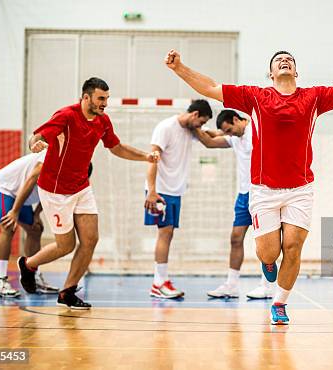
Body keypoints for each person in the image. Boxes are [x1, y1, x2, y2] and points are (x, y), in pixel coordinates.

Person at [165, 45, 333, 324]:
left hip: (300, 190)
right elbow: (213, 87)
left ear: (296, 71)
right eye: (279, 60)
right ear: (271, 73)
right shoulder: (255, 97)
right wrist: (180, 68)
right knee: (269, 252)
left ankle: (279, 303)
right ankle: (266, 263)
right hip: (264, 190)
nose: (284, 61)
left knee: (293, 247)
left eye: (289, 59)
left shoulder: (314, 97)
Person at [17, 77, 159, 310]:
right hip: (55, 189)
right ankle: (29, 264)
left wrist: (145, 156)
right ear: (86, 97)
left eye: (106, 98)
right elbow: (38, 135)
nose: (105, 103)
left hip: (81, 186)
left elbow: (117, 148)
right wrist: (35, 143)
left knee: (91, 239)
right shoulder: (66, 115)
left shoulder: (102, 121)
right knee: (66, 246)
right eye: (100, 98)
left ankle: (67, 292)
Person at [192, 109, 273, 299]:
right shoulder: (234, 137)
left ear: (237, 119)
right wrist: (195, 127)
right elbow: (209, 142)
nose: (229, 134)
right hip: (243, 195)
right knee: (236, 238)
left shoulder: (258, 131)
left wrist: (220, 132)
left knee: (265, 243)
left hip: (262, 194)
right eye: (226, 131)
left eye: (230, 129)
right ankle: (232, 285)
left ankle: (267, 285)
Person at [144, 100, 212, 299]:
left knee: (169, 234)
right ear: (194, 114)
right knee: (164, 234)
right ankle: (158, 283)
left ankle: (161, 279)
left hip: (175, 191)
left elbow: (210, 138)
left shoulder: (190, 130)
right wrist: (152, 190)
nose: (200, 126)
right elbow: (152, 158)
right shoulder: (165, 128)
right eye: (200, 122)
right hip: (161, 190)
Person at [0, 151, 58, 297]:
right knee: (9, 227)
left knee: (36, 229)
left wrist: (37, 214)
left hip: (21, 196)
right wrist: (14, 211)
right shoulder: (53, 154)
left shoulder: (70, 171)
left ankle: (32, 276)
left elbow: (53, 193)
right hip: (3, 189)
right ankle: (1, 281)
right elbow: (31, 180)